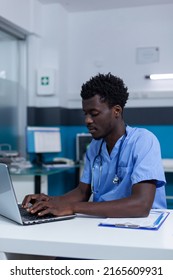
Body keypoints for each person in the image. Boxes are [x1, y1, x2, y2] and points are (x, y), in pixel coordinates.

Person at [22, 73, 167, 218]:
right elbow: (81, 192)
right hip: (105, 222)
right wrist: (50, 201)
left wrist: (72, 207)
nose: (87, 120)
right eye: (85, 114)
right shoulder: (95, 146)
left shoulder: (143, 141)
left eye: (94, 113)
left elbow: (140, 206)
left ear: (116, 111)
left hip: (145, 226)